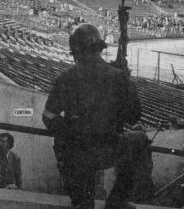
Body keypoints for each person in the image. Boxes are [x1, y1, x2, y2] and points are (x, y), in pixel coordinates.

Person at [42, 24, 142, 209]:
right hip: (109, 149)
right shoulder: (118, 77)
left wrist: (74, 131)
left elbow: (48, 117)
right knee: (139, 140)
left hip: (77, 153)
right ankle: (117, 201)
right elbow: (134, 116)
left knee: (82, 201)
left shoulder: (66, 78)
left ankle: (82, 202)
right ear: (100, 49)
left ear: (76, 52)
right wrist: (128, 81)